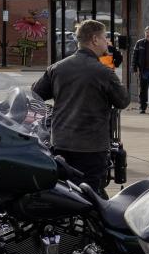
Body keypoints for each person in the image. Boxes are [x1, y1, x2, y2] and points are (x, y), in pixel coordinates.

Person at [33, 19, 130, 195]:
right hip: (91, 147)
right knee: (90, 196)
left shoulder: (57, 68)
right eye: (105, 37)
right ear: (94, 39)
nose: (107, 41)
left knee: (65, 193)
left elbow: (36, 93)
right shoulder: (103, 72)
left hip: (61, 143)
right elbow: (123, 101)